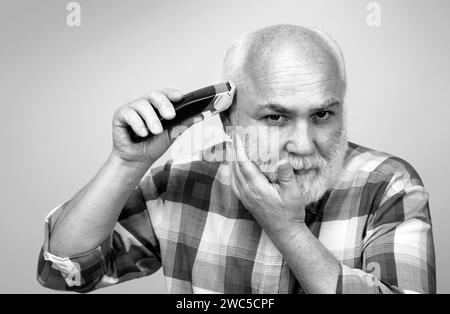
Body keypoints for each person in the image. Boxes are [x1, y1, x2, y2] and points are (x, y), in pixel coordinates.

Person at [36, 24, 435, 293]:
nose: (302, 143)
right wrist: (126, 164)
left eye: (322, 115)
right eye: (275, 117)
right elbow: (63, 272)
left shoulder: (389, 184)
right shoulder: (187, 179)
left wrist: (289, 232)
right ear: (228, 120)